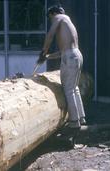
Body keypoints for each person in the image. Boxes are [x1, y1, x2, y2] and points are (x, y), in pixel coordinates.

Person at [37, 5, 86, 137]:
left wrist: (43, 52)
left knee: (68, 89)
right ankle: (81, 118)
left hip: (70, 56)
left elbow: (50, 35)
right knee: (73, 88)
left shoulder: (59, 18)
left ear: (53, 13)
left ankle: (74, 123)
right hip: (75, 55)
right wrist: (48, 57)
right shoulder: (67, 22)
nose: (51, 20)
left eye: (50, 17)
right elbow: (63, 51)